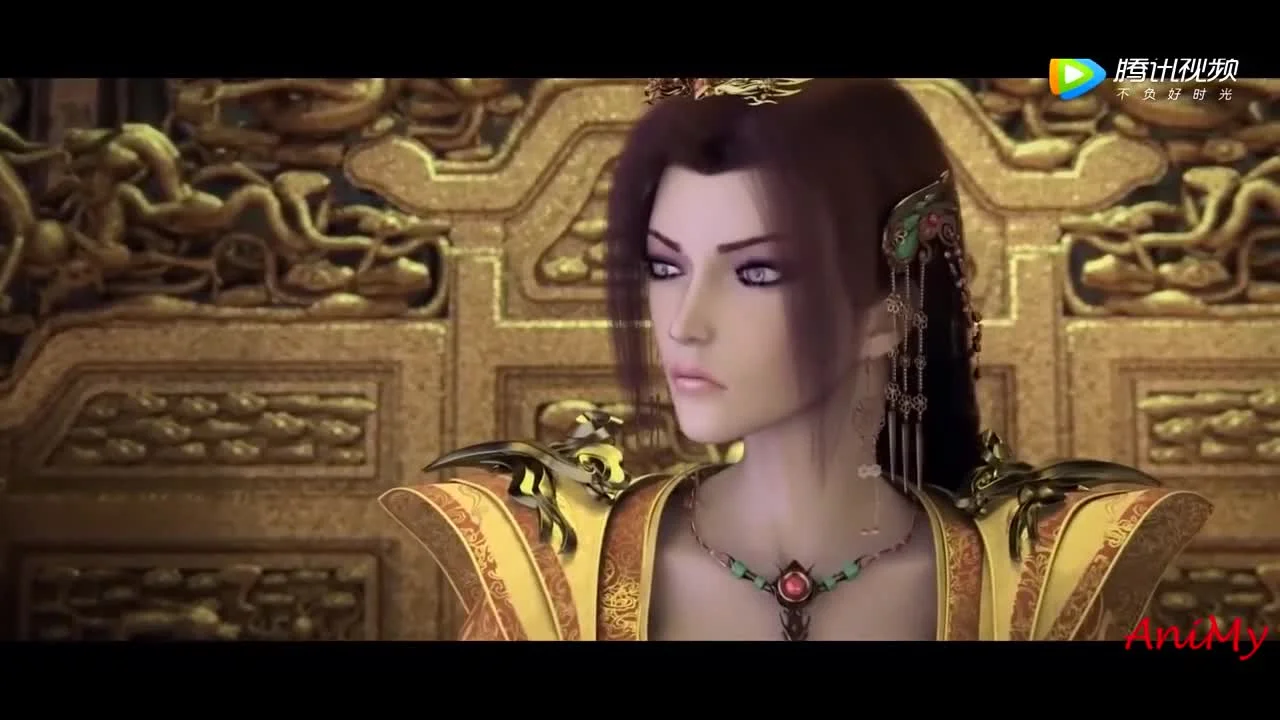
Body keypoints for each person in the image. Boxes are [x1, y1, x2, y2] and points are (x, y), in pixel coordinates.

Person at [379, 78, 1213, 641]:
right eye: (665, 266)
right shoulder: (550, 566)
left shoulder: (1042, 576)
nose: (685, 323)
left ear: (888, 314)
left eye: (758, 272)